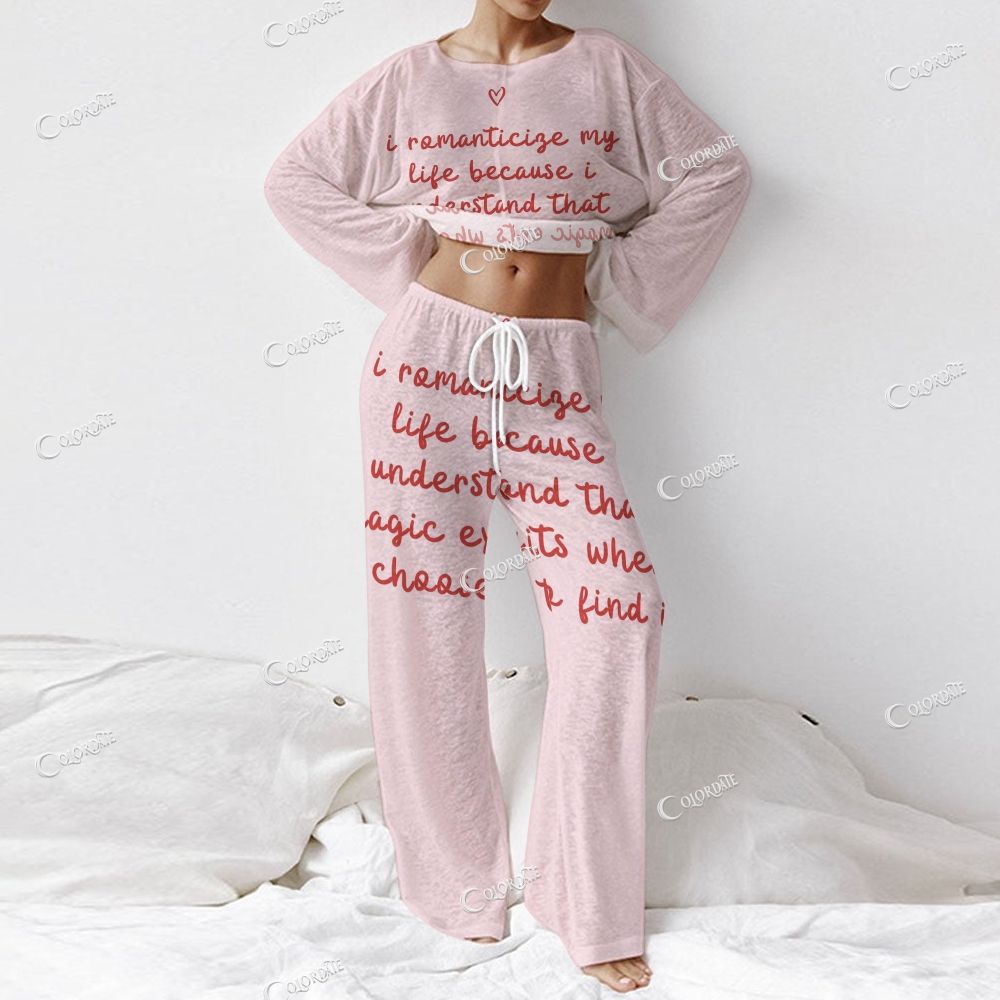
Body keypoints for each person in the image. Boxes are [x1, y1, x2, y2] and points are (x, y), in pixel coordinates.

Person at [263, 1, 751, 991]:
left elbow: (717, 173)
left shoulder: (608, 68)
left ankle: (588, 899)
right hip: (424, 363)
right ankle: (456, 889)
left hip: (554, 372)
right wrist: (413, 259)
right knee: (425, 619)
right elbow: (294, 180)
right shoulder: (407, 78)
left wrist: (615, 279)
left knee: (619, 614)